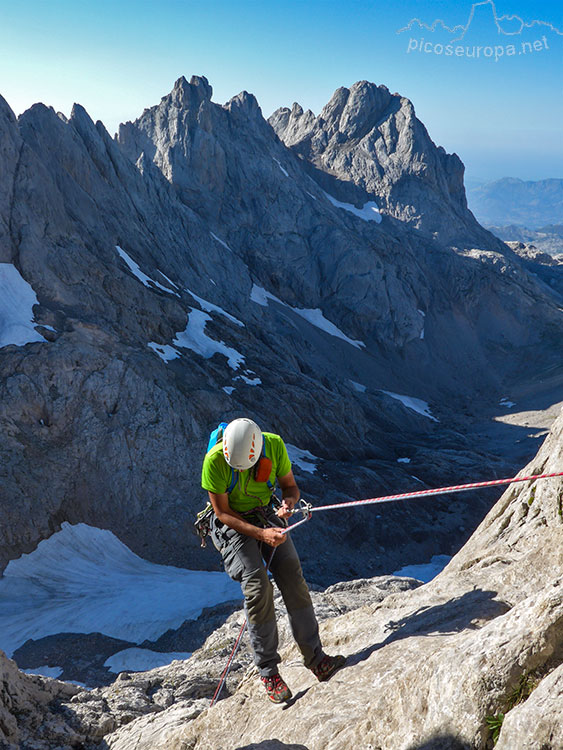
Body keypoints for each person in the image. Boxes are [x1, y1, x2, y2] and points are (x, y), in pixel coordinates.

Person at [201, 417, 345, 703]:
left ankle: (316, 659)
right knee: (257, 586)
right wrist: (261, 534)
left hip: (264, 512)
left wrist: (288, 504)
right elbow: (223, 514)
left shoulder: (274, 446)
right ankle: (268, 672)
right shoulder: (215, 461)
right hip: (233, 525)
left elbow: (290, 488)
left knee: (292, 576)